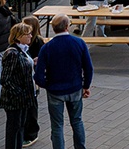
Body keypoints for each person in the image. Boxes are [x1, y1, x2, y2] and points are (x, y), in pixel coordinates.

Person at [35, 13, 93, 149]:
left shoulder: (47, 47)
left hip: (55, 91)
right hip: (75, 88)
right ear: (67, 26)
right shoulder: (79, 43)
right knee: (77, 121)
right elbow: (88, 67)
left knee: (57, 125)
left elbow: (38, 75)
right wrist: (86, 86)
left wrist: (47, 85)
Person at [0, 22, 39, 149]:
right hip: (15, 99)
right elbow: (5, 79)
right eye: (27, 34)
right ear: (18, 36)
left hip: (25, 97)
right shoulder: (12, 53)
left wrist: (32, 62)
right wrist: (19, 93)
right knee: (13, 127)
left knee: (21, 126)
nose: (30, 36)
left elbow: (22, 67)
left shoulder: (23, 50)